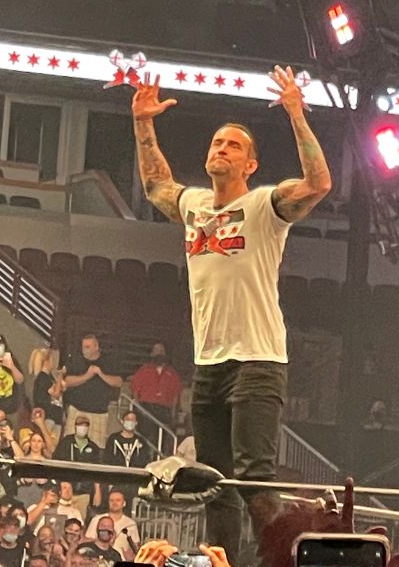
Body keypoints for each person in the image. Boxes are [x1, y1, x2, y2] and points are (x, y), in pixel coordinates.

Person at [132, 66, 332, 561]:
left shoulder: (265, 205)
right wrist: (142, 122)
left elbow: (319, 182)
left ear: (251, 165)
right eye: (217, 143)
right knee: (214, 482)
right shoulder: (196, 205)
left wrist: (295, 113)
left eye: (233, 146)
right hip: (210, 363)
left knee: (253, 477)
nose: (220, 149)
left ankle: (279, 561)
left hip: (259, 359)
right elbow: (157, 185)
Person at [62, 334, 121, 448]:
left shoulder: (107, 361)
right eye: (83, 346)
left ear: (96, 347)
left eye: (88, 347)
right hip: (77, 409)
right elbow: (68, 381)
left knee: (97, 446)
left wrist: (100, 374)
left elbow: (118, 382)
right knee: (71, 445)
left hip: (99, 412)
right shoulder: (76, 360)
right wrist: (87, 376)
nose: (84, 350)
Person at [130, 343, 182, 442]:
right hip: (146, 407)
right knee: (145, 437)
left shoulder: (172, 373)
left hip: (164, 409)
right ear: (152, 354)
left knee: (161, 439)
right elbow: (135, 390)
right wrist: (138, 408)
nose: (159, 354)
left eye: (161, 351)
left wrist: (173, 414)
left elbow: (176, 395)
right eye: (156, 351)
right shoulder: (144, 370)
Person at [86, 491, 140, 560]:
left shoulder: (131, 524)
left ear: (124, 503)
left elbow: (136, 547)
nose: (114, 503)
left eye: (118, 500)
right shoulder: (96, 520)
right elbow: (87, 542)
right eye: (111, 500)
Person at [29, 347, 64, 435]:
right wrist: (60, 376)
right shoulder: (43, 378)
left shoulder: (49, 377)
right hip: (48, 415)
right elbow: (55, 393)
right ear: (47, 361)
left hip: (55, 415)